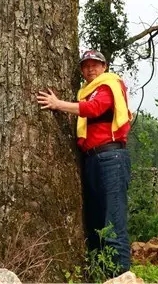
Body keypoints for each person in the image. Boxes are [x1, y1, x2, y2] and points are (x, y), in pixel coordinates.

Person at [36, 49, 132, 273]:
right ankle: (102, 274)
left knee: (113, 221)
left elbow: (94, 109)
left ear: (104, 67)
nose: (90, 69)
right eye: (86, 65)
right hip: (92, 159)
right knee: (96, 223)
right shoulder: (85, 92)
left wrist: (57, 104)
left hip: (111, 157)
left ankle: (122, 276)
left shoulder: (109, 85)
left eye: (95, 64)